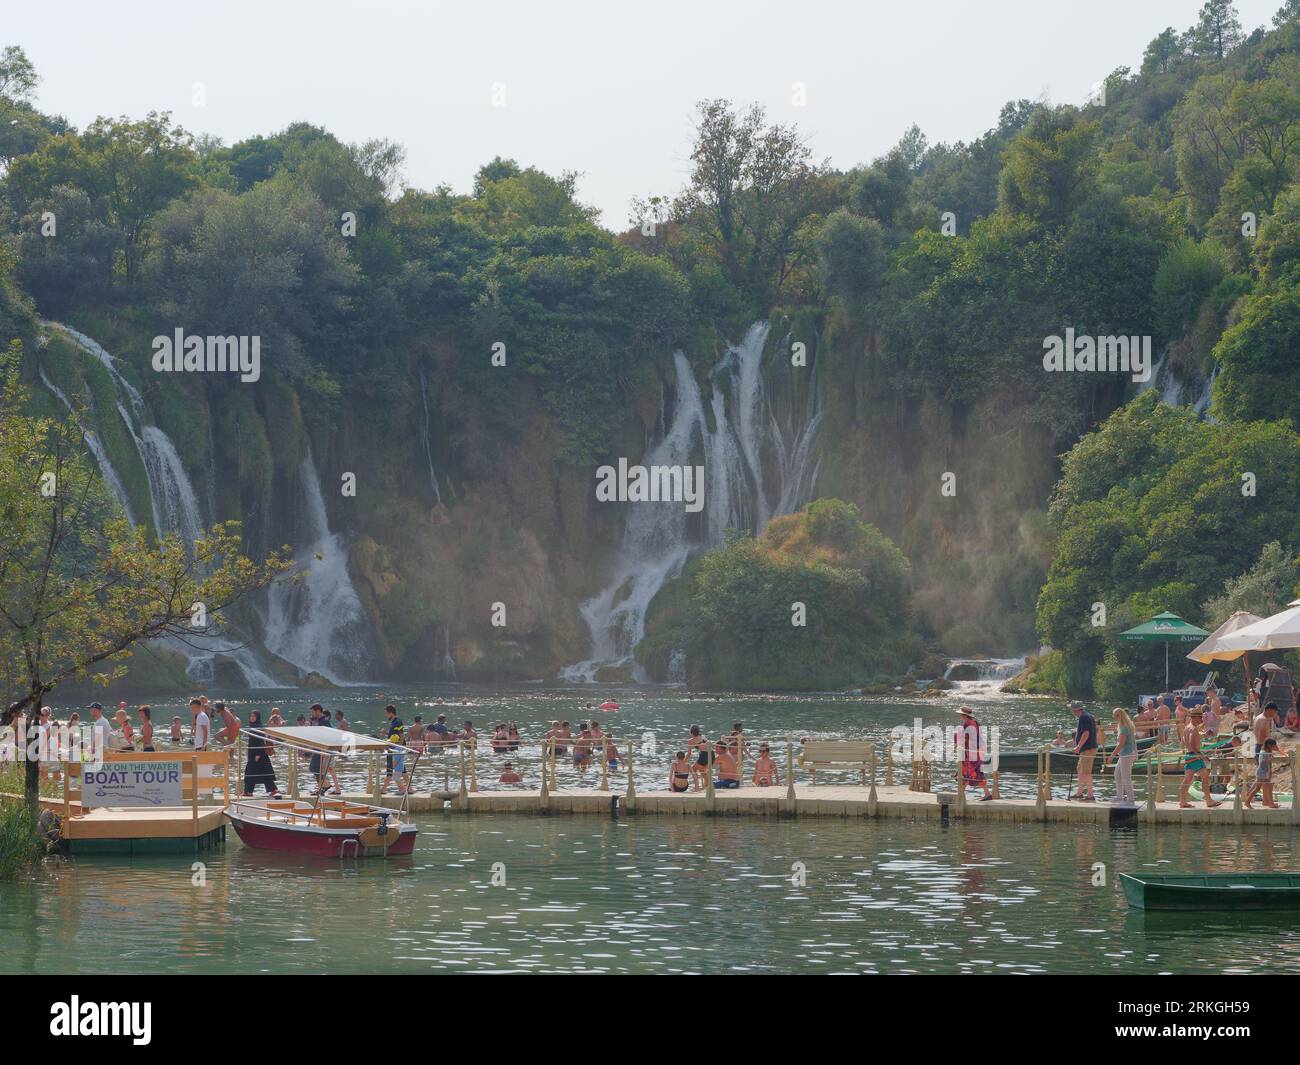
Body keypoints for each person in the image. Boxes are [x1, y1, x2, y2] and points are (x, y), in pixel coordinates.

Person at [1179, 709, 1223, 809]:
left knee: (1187, 780)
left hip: (1189, 755)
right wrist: (1200, 755)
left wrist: (1200, 753)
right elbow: (1191, 743)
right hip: (1195, 757)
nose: (1201, 719)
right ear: (1194, 717)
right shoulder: (1193, 729)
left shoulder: (1187, 728)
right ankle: (1208, 801)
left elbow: (1185, 743)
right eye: (1200, 717)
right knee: (1205, 778)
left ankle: (1182, 801)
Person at [956, 706, 993, 801]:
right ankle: (986, 793)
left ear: (964, 715)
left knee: (968, 771)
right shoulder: (975, 722)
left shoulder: (968, 724)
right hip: (977, 751)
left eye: (960, 714)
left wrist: (958, 739)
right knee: (974, 772)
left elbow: (967, 738)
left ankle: (960, 795)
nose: (959, 715)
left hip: (972, 752)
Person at [242, 710, 281, 798]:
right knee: (261, 773)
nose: (252, 718)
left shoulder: (259, 727)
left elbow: (260, 741)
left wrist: (258, 754)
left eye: (254, 716)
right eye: (251, 716)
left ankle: (249, 791)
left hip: (258, 754)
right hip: (254, 753)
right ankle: (249, 791)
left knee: (250, 772)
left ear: (257, 717)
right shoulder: (252, 726)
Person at [1105, 707, 1138, 807]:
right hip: (1125, 753)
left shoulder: (1124, 727)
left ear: (1119, 716)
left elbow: (1121, 744)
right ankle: (1119, 796)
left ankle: (1131, 799)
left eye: (1115, 716)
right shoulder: (1126, 725)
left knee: (1125, 776)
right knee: (1117, 774)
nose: (1114, 718)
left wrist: (1111, 756)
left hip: (1127, 754)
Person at [1069, 703, 1098, 801]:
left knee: (1086, 772)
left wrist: (1078, 746)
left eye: (1072, 710)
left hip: (1087, 749)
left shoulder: (1083, 717)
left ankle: (1090, 795)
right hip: (1087, 749)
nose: (1072, 712)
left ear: (1076, 710)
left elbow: (1086, 733)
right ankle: (1079, 793)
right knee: (1080, 769)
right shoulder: (1088, 716)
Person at [1243, 738, 1281, 809]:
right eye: (1273, 746)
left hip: (1264, 773)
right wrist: (1269, 759)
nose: (1274, 747)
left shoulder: (1266, 751)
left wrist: (1278, 750)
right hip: (1262, 773)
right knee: (1257, 789)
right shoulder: (1264, 753)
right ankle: (1247, 802)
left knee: (1269, 787)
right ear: (1269, 745)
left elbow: (1275, 750)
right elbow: (1262, 763)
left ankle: (1270, 803)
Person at [382, 705, 407, 794]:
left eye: (386, 714)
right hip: (394, 748)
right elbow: (394, 736)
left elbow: (401, 735)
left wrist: (400, 748)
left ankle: (402, 789)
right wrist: (386, 734)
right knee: (400, 770)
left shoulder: (398, 722)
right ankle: (405, 788)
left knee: (393, 768)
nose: (386, 716)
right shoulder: (393, 723)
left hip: (396, 749)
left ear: (391, 713)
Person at [687, 725, 709, 791]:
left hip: (704, 755)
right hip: (710, 755)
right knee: (702, 771)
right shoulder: (703, 737)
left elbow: (689, 754)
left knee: (693, 769)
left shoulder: (690, 741)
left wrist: (683, 762)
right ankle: (707, 786)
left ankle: (697, 787)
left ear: (691, 732)